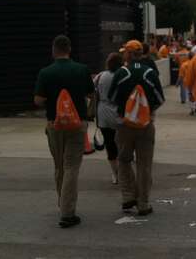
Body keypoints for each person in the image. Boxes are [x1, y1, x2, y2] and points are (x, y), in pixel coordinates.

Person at [33, 35, 95, 228]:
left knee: (59, 166)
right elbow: (92, 94)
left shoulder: (45, 72)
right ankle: (67, 213)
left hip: (54, 125)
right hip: (77, 126)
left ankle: (63, 203)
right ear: (69, 49)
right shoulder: (82, 70)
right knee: (71, 167)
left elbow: (38, 100)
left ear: (54, 50)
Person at [108, 40, 164, 216]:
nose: (124, 54)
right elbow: (160, 99)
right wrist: (146, 113)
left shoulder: (121, 72)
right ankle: (143, 203)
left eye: (125, 52)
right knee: (144, 164)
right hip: (146, 125)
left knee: (124, 160)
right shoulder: (150, 73)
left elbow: (112, 98)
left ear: (130, 54)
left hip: (124, 125)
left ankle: (127, 195)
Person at [95, 52, 123, 185]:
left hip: (103, 113)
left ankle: (115, 174)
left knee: (110, 145)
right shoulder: (123, 75)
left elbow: (92, 92)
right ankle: (124, 172)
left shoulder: (101, 76)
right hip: (119, 112)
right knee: (122, 144)